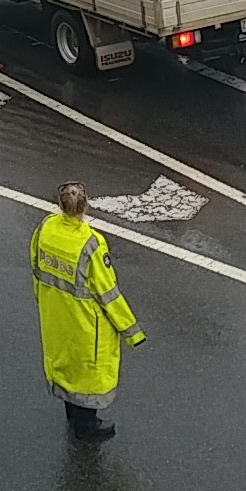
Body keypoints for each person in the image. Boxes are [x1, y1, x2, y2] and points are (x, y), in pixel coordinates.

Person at [30, 182, 145, 442]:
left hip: (55, 315)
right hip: (85, 323)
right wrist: (131, 331)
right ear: (87, 204)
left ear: (60, 204)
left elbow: (36, 266)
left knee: (65, 365)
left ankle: (72, 416)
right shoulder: (91, 243)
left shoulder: (45, 228)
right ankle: (86, 427)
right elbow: (108, 293)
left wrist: (42, 299)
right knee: (86, 373)